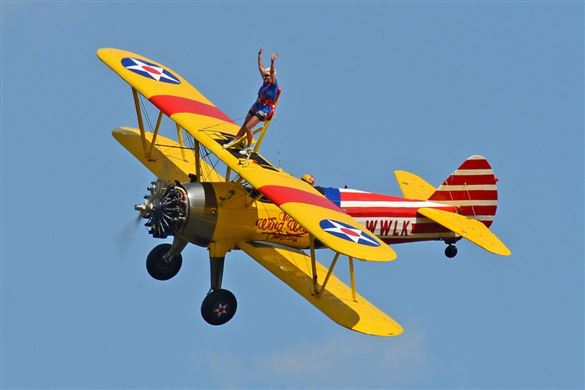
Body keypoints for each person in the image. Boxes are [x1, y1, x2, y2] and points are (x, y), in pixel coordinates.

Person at [224, 48, 280, 155]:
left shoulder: (273, 84)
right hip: (257, 105)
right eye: (265, 76)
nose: (265, 77)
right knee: (245, 124)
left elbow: (272, 72)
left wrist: (272, 61)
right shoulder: (265, 81)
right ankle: (235, 140)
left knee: (249, 126)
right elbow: (260, 67)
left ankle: (249, 147)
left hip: (265, 109)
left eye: (267, 76)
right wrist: (259, 56)